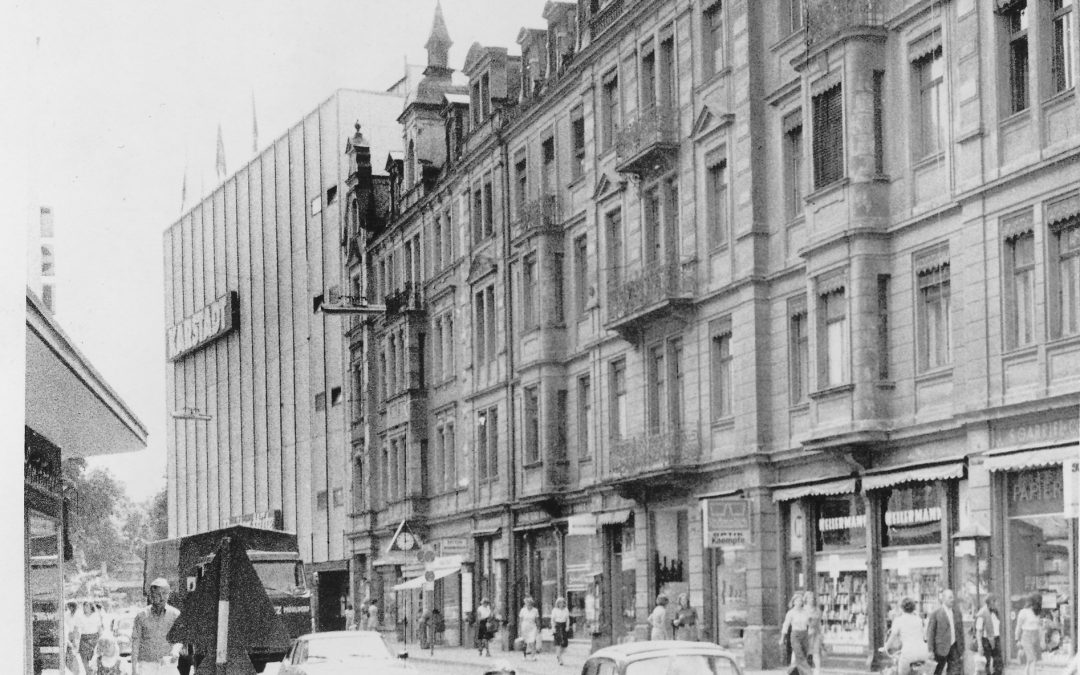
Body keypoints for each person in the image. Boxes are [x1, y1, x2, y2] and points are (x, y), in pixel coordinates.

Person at [131, 577, 181, 675]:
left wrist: (175, 651)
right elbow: (135, 642)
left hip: (168, 665)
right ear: (151, 596)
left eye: (165, 593)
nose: (162, 597)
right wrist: (134, 669)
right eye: (158, 594)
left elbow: (179, 639)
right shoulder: (141, 616)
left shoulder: (175, 614)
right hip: (146, 666)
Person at [885, 597, 930, 675]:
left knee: (901, 672)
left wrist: (885, 647)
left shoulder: (898, 620)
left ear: (901, 608)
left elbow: (892, 637)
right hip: (922, 652)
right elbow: (923, 635)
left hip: (908, 654)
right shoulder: (918, 619)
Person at [926, 589, 964, 675]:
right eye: (950, 597)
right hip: (940, 649)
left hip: (954, 647)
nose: (952, 599)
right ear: (943, 599)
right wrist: (930, 650)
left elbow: (960, 632)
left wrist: (962, 648)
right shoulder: (936, 613)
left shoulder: (957, 613)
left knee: (955, 671)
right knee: (937, 671)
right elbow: (931, 633)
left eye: (953, 597)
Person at [780, 592, 813, 675]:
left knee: (803, 656)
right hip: (795, 635)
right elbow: (785, 626)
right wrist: (782, 638)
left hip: (804, 635)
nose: (799, 603)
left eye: (801, 601)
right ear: (793, 602)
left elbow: (810, 624)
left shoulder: (805, 612)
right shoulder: (790, 613)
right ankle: (808, 672)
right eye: (797, 601)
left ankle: (791, 671)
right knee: (799, 654)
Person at [1015, 592, 1042, 675]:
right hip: (1026, 637)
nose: (1040, 603)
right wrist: (1017, 639)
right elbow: (1018, 626)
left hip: (1036, 636)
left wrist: (1041, 639)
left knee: (1030, 661)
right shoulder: (1023, 612)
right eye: (1038, 601)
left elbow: (1038, 626)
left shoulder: (1037, 613)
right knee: (1032, 659)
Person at [975, 594, 1003, 675]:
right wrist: (980, 646)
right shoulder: (982, 613)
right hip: (986, 641)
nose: (996, 603)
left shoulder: (996, 612)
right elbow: (979, 631)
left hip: (996, 639)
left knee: (998, 663)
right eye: (994, 601)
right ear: (990, 602)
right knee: (986, 664)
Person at [78, 601, 103, 673]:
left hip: (94, 639)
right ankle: (87, 672)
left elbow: (99, 629)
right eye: (84, 606)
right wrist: (75, 641)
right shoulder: (80, 616)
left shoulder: (96, 616)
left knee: (96, 658)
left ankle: (95, 672)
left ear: (91, 607)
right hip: (84, 639)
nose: (85, 608)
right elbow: (77, 629)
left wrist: (101, 640)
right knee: (84, 658)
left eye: (87, 606)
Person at [803, 591, 822, 675]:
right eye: (809, 598)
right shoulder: (803, 610)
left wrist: (820, 633)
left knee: (816, 653)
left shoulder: (817, 610)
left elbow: (818, 623)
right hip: (805, 634)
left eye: (813, 598)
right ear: (806, 599)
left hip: (815, 633)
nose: (812, 600)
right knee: (804, 653)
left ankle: (817, 671)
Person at [518, 596, 540, 661]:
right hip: (524, 627)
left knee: (532, 641)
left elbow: (537, 620)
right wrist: (519, 629)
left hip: (532, 627)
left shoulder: (535, 610)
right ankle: (524, 655)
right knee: (524, 642)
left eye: (530, 603)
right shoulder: (522, 610)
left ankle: (533, 656)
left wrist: (538, 628)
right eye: (527, 603)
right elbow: (520, 620)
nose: (528, 604)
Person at [551, 597, 571, 665]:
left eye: (562, 602)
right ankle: (560, 658)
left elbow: (568, 619)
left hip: (563, 626)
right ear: (557, 603)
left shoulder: (566, 610)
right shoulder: (554, 610)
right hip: (557, 626)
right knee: (558, 643)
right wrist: (553, 627)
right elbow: (553, 620)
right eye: (560, 603)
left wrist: (568, 626)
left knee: (564, 644)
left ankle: (559, 655)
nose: (561, 604)